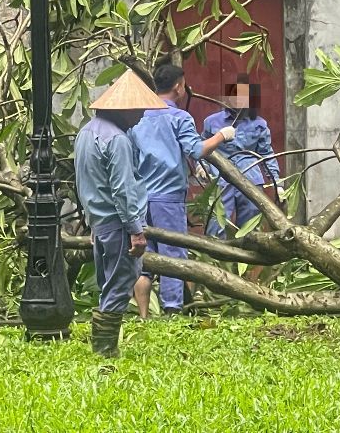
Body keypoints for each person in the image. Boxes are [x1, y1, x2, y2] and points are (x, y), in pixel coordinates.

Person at [74, 69, 167, 358]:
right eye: (138, 108)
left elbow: (85, 182)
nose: (141, 115)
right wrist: (136, 231)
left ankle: (103, 344)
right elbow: (123, 190)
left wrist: (92, 221)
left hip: (100, 222)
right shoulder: (118, 141)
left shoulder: (86, 133)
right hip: (117, 224)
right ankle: (105, 350)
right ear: (124, 109)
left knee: (108, 283)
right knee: (121, 281)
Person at [129, 65, 235, 318]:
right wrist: (222, 135)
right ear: (179, 86)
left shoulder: (137, 117)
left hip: (141, 196)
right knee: (173, 254)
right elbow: (196, 149)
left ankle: (143, 315)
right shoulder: (179, 118)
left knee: (145, 255)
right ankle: (172, 311)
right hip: (169, 196)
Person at [201, 75, 283, 239]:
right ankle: (215, 260)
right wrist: (201, 166)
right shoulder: (212, 122)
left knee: (249, 230)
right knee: (216, 225)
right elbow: (202, 147)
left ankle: (244, 262)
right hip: (220, 179)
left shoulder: (259, 124)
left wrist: (277, 183)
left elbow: (266, 154)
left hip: (250, 179)